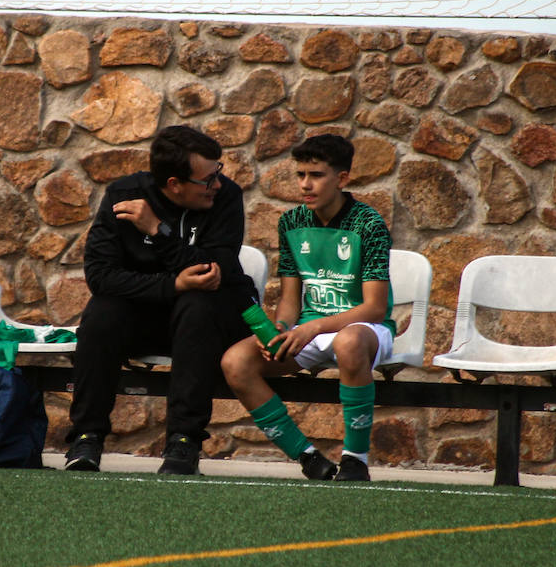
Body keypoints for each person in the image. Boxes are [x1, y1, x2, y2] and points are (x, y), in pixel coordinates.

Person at [64, 125, 258, 476]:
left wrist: (159, 231)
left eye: (218, 173)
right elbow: (101, 277)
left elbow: (215, 269)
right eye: (208, 179)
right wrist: (173, 285)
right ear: (174, 184)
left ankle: (184, 442)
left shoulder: (225, 196)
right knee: (101, 315)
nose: (217, 184)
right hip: (145, 316)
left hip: (208, 320)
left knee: (197, 304)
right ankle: (86, 438)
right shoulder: (123, 195)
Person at [219, 134, 394, 482]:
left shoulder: (369, 223)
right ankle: (308, 458)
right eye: (300, 175)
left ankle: (355, 460)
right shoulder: (291, 222)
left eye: (315, 175)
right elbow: (289, 297)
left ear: (341, 179)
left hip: (365, 331)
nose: (305, 184)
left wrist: (313, 327)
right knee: (235, 362)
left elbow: (374, 308)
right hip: (308, 331)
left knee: (348, 342)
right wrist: (281, 328)